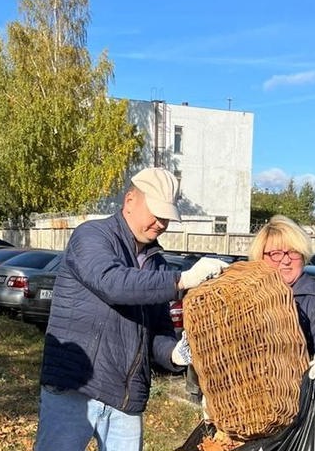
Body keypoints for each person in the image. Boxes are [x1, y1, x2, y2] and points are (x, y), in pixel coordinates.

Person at [34, 167, 229, 451]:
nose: (161, 223)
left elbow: (157, 330)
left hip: (126, 396)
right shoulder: (92, 236)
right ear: (130, 201)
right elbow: (112, 283)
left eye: (167, 218)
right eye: (156, 214)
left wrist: (174, 354)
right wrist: (183, 279)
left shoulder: (157, 263)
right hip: (75, 387)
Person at [248, 214, 315, 381]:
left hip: (294, 398)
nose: (285, 260)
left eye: (293, 252)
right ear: (261, 257)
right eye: (276, 253)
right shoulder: (246, 294)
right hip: (244, 397)